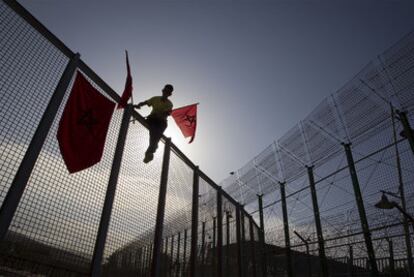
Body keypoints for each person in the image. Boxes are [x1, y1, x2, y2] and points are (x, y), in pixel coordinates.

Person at [134, 84, 174, 163]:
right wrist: (139, 105)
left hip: (161, 122)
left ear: (169, 94)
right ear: (163, 91)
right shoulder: (155, 98)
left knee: (155, 135)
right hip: (152, 119)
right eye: (165, 90)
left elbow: (167, 113)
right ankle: (152, 149)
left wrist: (160, 114)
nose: (166, 92)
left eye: (168, 92)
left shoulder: (169, 104)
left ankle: (149, 152)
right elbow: (146, 102)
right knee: (154, 135)